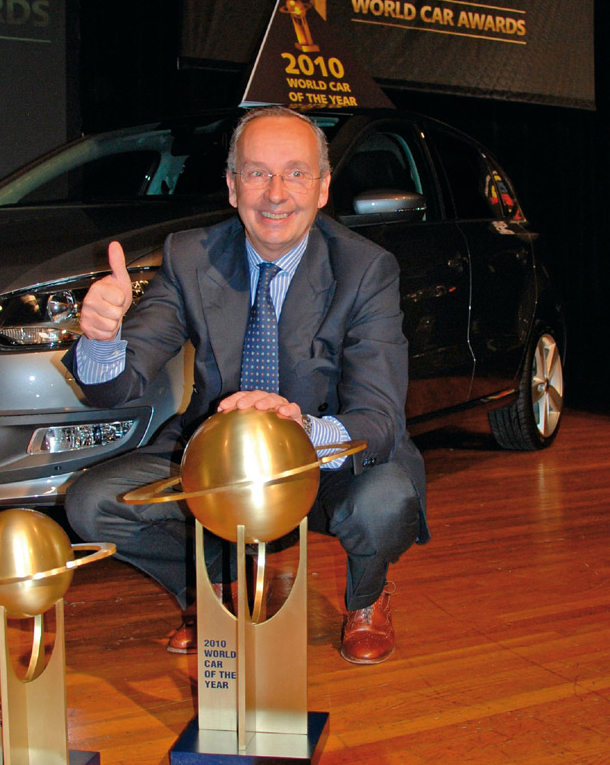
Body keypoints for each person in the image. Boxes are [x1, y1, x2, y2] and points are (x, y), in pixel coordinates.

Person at [62, 105, 429, 664]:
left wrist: (299, 427)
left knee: (385, 501)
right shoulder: (190, 257)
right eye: (257, 173)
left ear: (324, 187)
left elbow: (379, 419)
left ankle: (367, 597)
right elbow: (120, 383)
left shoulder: (366, 269)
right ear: (233, 187)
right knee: (96, 502)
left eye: (296, 173)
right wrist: (101, 339)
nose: (275, 193)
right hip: (224, 461)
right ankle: (217, 594)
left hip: (324, 459)